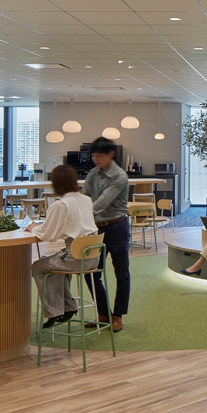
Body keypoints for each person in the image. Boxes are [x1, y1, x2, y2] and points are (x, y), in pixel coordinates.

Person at [26, 165, 98, 328]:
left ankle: (54, 311)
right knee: (51, 262)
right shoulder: (87, 200)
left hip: (75, 258)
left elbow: (47, 235)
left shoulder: (61, 204)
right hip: (93, 257)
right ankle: (68, 306)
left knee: (38, 267)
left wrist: (33, 228)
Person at [81, 137, 130, 333]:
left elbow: (101, 203)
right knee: (91, 272)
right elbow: (84, 197)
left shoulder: (120, 176)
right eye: (94, 156)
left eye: (99, 156)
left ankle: (117, 316)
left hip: (117, 226)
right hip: (97, 228)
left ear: (111, 154)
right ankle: (103, 314)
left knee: (121, 273)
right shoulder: (93, 173)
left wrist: (80, 213)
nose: (96, 159)